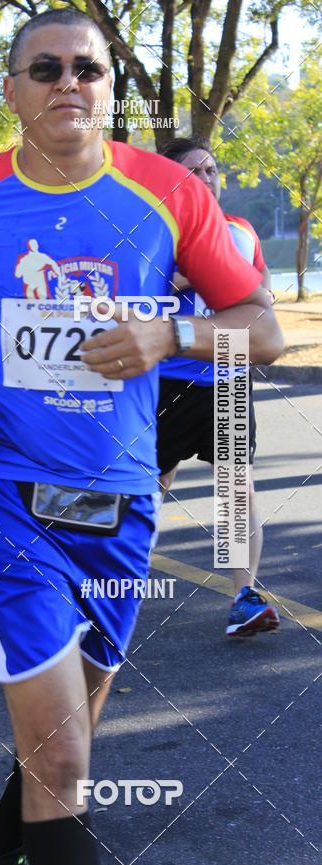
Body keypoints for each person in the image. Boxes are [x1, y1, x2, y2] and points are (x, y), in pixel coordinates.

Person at [0, 9, 284, 865]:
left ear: (110, 87)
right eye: (47, 68)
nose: (70, 82)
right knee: (66, 768)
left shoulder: (170, 193)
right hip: (7, 491)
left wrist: (168, 336)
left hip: (124, 501)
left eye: (88, 70)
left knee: (67, 738)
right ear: (12, 91)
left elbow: (264, 332)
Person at [157, 135, 280, 637]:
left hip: (227, 376)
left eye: (212, 170)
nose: (207, 179)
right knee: (146, 490)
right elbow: (123, 293)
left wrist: (238, 286)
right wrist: (185, 279)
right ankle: (107, 590)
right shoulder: (152, 230)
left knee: (237, 486)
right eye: (194, 171)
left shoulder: (241, 230)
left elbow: (264, 291)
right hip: (164, 381)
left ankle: (243, 597)